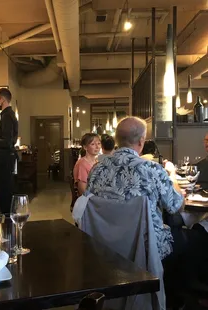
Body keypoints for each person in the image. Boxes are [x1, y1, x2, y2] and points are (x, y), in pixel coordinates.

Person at [86, 116, 207, 300]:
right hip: (146, 246)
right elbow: (176, 205)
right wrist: (172, 177)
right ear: (141, 141)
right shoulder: (152, 169)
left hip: (105, 245)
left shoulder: (96, 169)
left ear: (117, 140)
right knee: (195, 237)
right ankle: (179, 296)